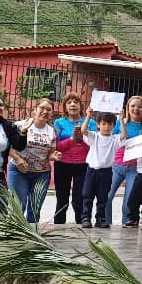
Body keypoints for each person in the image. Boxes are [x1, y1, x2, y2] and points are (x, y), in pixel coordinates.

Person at [7, 99, 59, 223]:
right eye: (42, 108)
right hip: (19, 171)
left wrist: (54, 156)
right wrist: (18, 159)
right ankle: (14, 234)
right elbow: (5, 146)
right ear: (35, 110)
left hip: (41, 174)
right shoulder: (20, 125)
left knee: (35, 208)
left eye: (49, 110)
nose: (45, 112)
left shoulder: (51, 131)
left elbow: (50, 154)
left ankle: (32, 235)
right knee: (18, 206)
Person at [106, 94, 142, 227]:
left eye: (140, 107)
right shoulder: (119, 123)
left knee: (129, 201)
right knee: (107, 197)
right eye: (133, 106)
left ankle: (127, 226)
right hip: (117, 165)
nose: (136, 109)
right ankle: (105, 223)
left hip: (135, 168)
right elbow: (109, 140)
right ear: (128, 108)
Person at [80, 109, 126, 228]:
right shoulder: (94, 137)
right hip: (92, 171)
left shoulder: (115, 139)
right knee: (87, 195)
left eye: (109, 124)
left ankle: (100, 218)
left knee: (103, 196)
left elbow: (124, 135)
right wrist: (88, 115)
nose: (106, 127)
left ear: (113, 126)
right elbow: (83, 130)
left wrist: (121, 119)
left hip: (106, 172)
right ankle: (85, 217)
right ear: (98, 125)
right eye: (104, 123)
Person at [53, 92, 92, 225]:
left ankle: (81, 227)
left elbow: (95, 146)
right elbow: (56, 146)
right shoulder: (59, 122)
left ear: (81, 106)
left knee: (79, 199)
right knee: (62, 199)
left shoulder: (90, 122)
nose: (73, 104)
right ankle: (58, 228)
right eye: (69, 102)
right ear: (65, 107)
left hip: (83, 165)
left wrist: (82, 139)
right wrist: (71, 139)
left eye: (76, 102)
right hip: (62, 164)